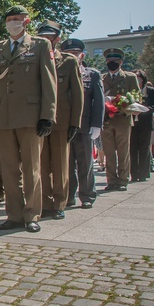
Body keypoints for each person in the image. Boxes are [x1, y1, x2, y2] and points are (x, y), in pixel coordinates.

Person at [0, 5, 57, 233]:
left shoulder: (40, 45)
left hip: (30, 117)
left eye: (16, 18)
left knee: (31, 169)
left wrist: (47, 115)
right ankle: (14, 215)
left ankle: (31, 214)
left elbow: (48, 82)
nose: (12, 22)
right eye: (9, 19)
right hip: (4, 117)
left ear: (26, 21)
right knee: (8, 170)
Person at [37, 22, 83, 220]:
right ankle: (45, 202)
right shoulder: (33, 58)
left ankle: (59, 203)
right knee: (42, 165)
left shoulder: (68, 61)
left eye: (50, 36)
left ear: (57, 38)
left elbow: (77, 94)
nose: (46, 40)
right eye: (43, 36)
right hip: (38, 119)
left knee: (60, 164)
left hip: (62, 121)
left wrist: (75, 123)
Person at [61, 39, 104, 209]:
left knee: (85, 163)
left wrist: (96, 124)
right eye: (68, 54)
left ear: (82, 55)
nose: (72, 57)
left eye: (75, 54)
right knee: (67, 164)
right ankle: (69, 195)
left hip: (85, 126)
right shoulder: (59, 73)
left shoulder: (91, 74)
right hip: (64, 126)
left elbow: (98, 101)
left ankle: (87, 196)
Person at [100, 48, 140, 191]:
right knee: (109, 152)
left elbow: (136, 96)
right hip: (107, 120)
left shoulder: (129, 77)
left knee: (123, 151)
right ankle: (111, 181)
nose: (112, 63)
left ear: (121, 62)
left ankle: (123, 180)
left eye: (115, 61)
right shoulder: (101, 78)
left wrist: (121, 102)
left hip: (123, 119)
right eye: (109, 61)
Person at [130, 69, 154, 182]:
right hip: (132, 123)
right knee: (132, 149)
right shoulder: (130, 90)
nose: (137, 79)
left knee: (144, 148)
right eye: (135, 77)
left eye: (139, 77)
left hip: (145, 123)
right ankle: (134, 174)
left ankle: (143, 174)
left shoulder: (150, 91)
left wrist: (143, 110)